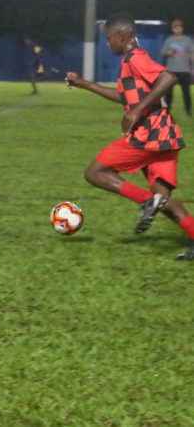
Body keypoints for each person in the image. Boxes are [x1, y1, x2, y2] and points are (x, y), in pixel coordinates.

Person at [66, 14, 194, 261]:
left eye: (108, 38)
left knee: (94, 173)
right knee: (164, 201)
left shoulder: (136, 57)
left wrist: (137, 110)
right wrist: (84, 84)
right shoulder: (129, 61)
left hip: (149, 134)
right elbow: (123, 96)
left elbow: (169, 77)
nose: (107, 43)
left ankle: (148, 201)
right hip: (166, 136)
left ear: (122, 36)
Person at [161, 18, 193, 116]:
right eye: (175, 28)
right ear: (172, 29)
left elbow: (192, 54)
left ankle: (188, 111)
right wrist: (168, 53)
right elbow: (162, 53)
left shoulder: (187, 40)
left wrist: (192, 67)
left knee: (186, 92)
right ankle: (167, 111)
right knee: (169, 93)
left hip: (184, 70)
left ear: (182, 29)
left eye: (179, 27)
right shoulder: (169, 40)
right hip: (171, 71)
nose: (177, 29)